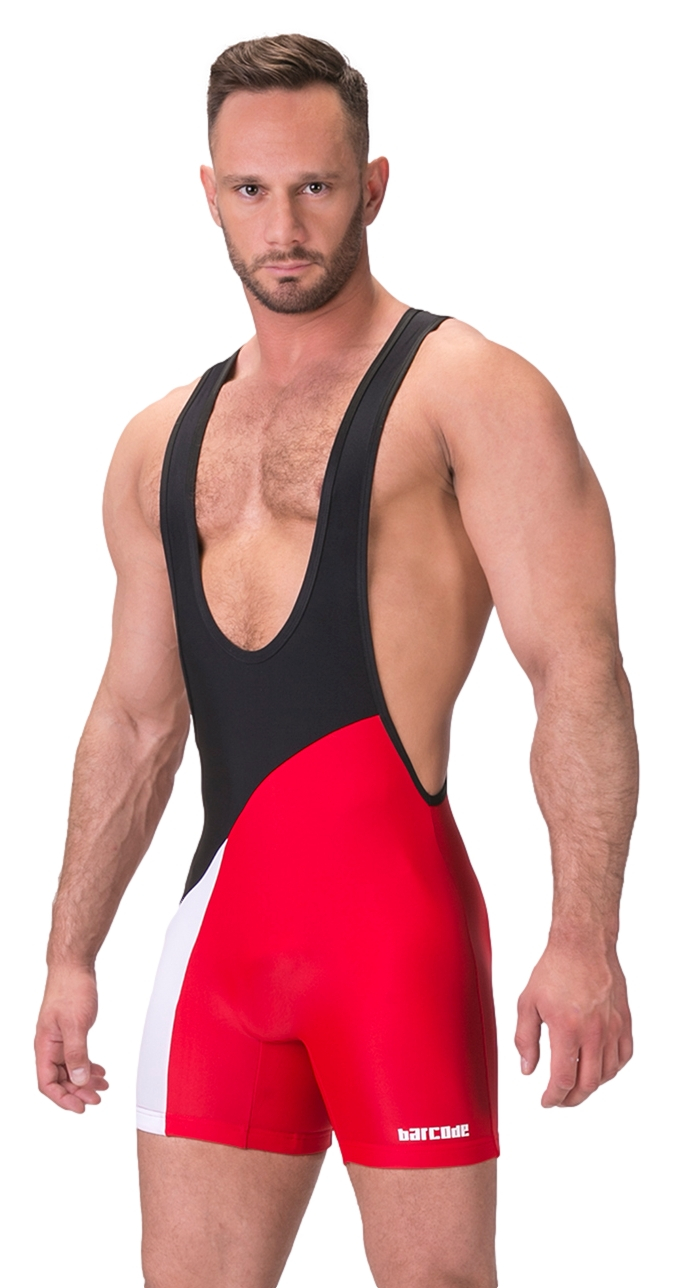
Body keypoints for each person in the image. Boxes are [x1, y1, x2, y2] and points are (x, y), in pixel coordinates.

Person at [34, 33, 637, 1288]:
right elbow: (135, 720)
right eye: (252, 190)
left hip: (393, 945)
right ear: (209, 194)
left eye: (315, 185)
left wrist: (583, 934)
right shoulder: (157, 441)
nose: (284, 224)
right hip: (216, 951)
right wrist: (69, 954)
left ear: (371, 185)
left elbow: (574, 669)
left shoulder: (472, 391)